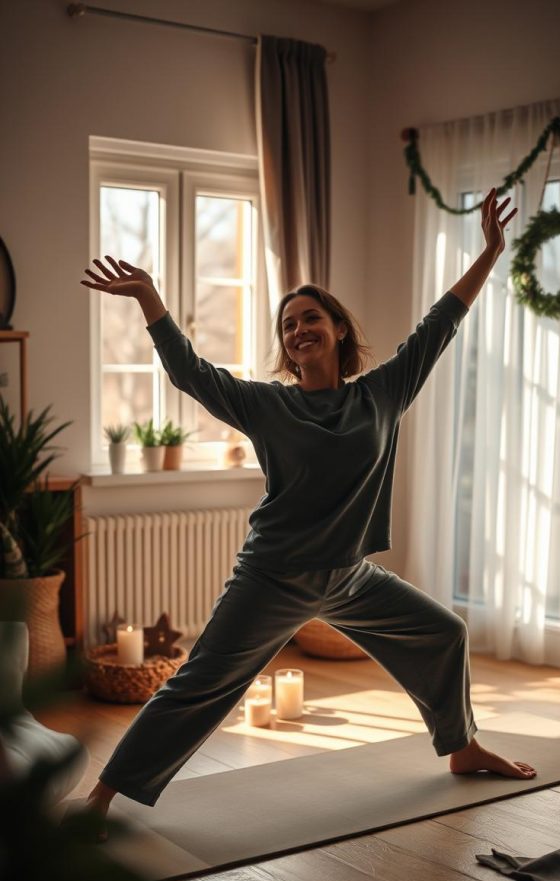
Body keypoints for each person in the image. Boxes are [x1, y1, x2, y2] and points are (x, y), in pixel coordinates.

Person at [80, 188, 535, 838]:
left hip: (348, 575)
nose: (298, 330)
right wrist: (151, 297)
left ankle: (460, 745)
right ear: (286, 345)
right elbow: (189, 372)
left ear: (338, 328)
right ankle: (99, 799)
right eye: (287, 325)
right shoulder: (268, 405)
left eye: (309, 317)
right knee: (200, 685)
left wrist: (490, 250)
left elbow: (442, 320)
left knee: (444, 633)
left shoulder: (382, 392)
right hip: (273, 575)